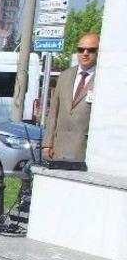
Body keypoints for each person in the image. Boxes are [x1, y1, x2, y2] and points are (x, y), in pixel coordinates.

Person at [42, 33, 99, 168]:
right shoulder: (64, 76)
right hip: (58, 148)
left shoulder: (103, 78)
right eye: (81, 50)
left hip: (83, 149)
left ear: (98, 52)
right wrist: (47, 143)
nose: (85, 53)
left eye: (91, 50)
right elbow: (54, 111)